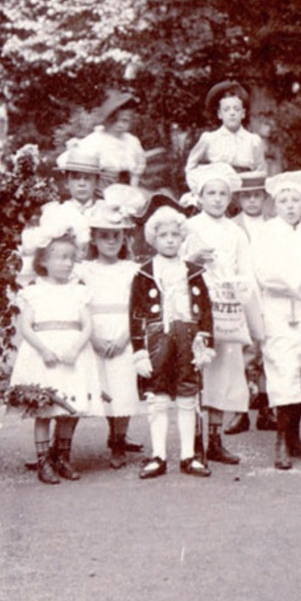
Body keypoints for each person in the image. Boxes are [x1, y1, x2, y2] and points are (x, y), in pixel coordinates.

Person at [10, 211, 103, 484]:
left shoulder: (78, 290)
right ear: (44, 261)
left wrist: (75, 348)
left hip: (72, 354)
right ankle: (43, 462)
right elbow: (26, 327)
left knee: (69, 409)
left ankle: (62, 456)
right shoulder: (34, 290)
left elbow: (87, 325)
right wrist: (43, 350)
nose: (67, 264)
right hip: (45, 354)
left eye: (71, 258)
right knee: (45, 409)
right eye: (60, 258)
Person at [181, 163, 261, 467]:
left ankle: (215, 440)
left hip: (226, 308)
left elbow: (246, 271)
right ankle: (193, 443)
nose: (216, 199)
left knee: (224, 374)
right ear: (199, 196)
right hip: (196, 306)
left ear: (230, 199)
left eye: (222, 194)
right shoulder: (189, 227)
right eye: (210, 193)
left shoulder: (236, 232)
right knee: (196, 373)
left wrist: (241, 296)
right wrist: (192, 260)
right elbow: (174, 265)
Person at [130, 198, 215, 479]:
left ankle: (189, 455)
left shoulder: (193, 272)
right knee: (158, 395)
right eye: (163, 236)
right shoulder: (144, 274)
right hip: (157, 339)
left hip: (188, 337)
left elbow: (205, 312)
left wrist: (205, 343)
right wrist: (140, 351)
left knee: (188, 394)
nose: (169, 241)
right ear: (153, 239)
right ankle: (158, 455)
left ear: (182, 238)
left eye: (174, 235)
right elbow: (135, 315)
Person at [251, 171, 301, 469]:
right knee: (283, 371)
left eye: (295, 200)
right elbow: (266, 273)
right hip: (279, 308)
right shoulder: (266, 232)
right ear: (275, 203)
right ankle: (281, 439)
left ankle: (295, 437)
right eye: (284, 200)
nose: (290, 206)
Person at [79, 197, 144, 465]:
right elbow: (78, 304)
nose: (110, 241)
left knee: (123, 386)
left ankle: (120, 439)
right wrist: (92, 336)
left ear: (123, 238)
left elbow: (138, 307)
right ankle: (111, 432)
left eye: (115, 236)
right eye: (103, 236)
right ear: (93, 239)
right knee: (104, 387)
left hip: (122, 332)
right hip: (95, 331)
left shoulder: (131, 270)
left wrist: (124, 337)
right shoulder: (85, 270)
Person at [232, 170, 275, 431]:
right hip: (245, 292)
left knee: (268, 348)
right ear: (239, 199)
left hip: (269, 292)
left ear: (264, 197)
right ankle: (242, 409)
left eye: (256, 196)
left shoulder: (273, 223)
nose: (251, 202)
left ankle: (267, 408)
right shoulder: (233, 226)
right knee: (245, 351)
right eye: (246, 197)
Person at [186, 81, 266, 175]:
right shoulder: (209, 139)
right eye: (226, 109)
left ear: (243, 113)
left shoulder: (253, 141)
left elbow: (261, 173)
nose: (232, 113)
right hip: (219, 187)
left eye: (236, 109)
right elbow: (190, 169)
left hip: (246, 187)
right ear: (220, 114)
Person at [82, 91, 147, 190]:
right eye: (114, 120)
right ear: (105, 120)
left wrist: (133, 188)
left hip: (127, 187)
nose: (120, 125)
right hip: (101, 189)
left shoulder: (132, 141)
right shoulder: (95, 140)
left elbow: (136, 171)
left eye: (125, 121)